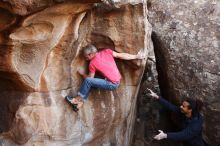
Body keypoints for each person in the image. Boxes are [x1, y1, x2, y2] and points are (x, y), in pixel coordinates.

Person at [65, 44, 145, 110]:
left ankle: (76, 100)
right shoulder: (107, 51)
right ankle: (79, 105)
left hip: (111, 84)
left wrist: (82, 74)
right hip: (115, 81)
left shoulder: (92, 63)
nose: (86, 59)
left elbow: (90, 79)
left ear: (91, 54)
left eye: (86, 57)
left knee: (88, 82)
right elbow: (121, 55)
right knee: (91, 84)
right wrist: (136, 56)